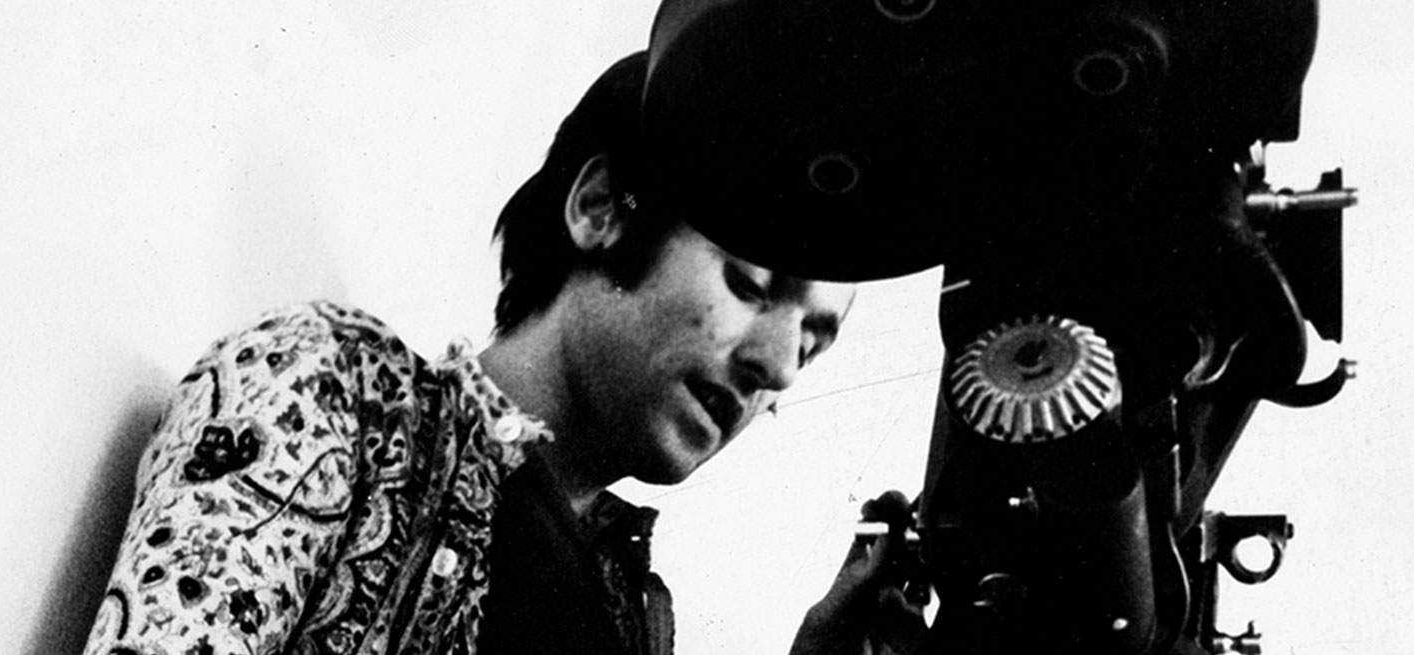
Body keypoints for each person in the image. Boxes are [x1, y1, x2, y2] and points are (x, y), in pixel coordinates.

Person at [79, 46, 924, 655]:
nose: (779, 366)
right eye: (751, 282)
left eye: (813, 341)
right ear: (600, 207)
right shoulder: (336, 390)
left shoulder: (635, 609)